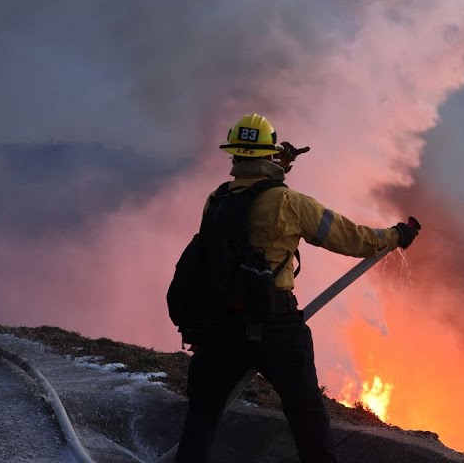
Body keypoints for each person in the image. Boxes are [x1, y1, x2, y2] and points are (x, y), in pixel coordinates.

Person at [175, 113, 418, 463]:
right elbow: (352, 239)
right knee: (306, 414)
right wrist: (397, 235)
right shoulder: (290, 203)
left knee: (202, 418)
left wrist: (278, 166)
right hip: (276, 325)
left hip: (220, 326)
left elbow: (251, 199)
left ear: (235, 156)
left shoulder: (216, 200)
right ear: (268, 154)